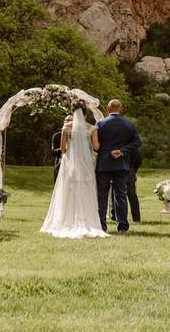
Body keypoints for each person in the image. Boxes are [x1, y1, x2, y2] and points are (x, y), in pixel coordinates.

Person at [41, 104, 108, 238]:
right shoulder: (91, 128)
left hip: (70, 162)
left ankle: (66, 220)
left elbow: (63, 149)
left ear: (73, 112)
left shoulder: (66, 127)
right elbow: (96, 147)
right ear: (85, 113)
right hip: (86, 164)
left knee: (68, 189)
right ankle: (87, 220)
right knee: (86, 188)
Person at [94, 99, 142, 233]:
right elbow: (137, 142)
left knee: (102, 195)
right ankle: (122, 225)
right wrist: (122, 151)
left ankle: (102, 224)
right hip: (121, 164)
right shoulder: (129, 124)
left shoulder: (100, 123)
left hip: (103, 163)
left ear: (108, 109)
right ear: (120, 109)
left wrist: (103, 151)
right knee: (121, 195)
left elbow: (96, 145)